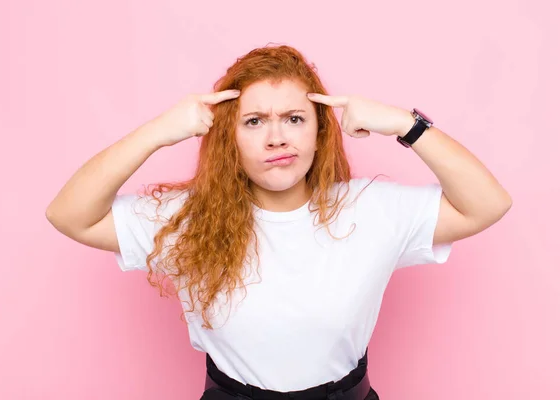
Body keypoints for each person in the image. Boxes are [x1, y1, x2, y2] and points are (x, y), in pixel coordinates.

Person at [46, 44, 512, 400]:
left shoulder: (371, 208)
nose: (276, 138)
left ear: (320, 130)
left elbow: (485, 204)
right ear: (228, 137)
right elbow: (69, 215)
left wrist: (401, 123)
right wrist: (155, 133)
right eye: (253, 122)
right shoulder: (188, 218)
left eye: (293, 118)